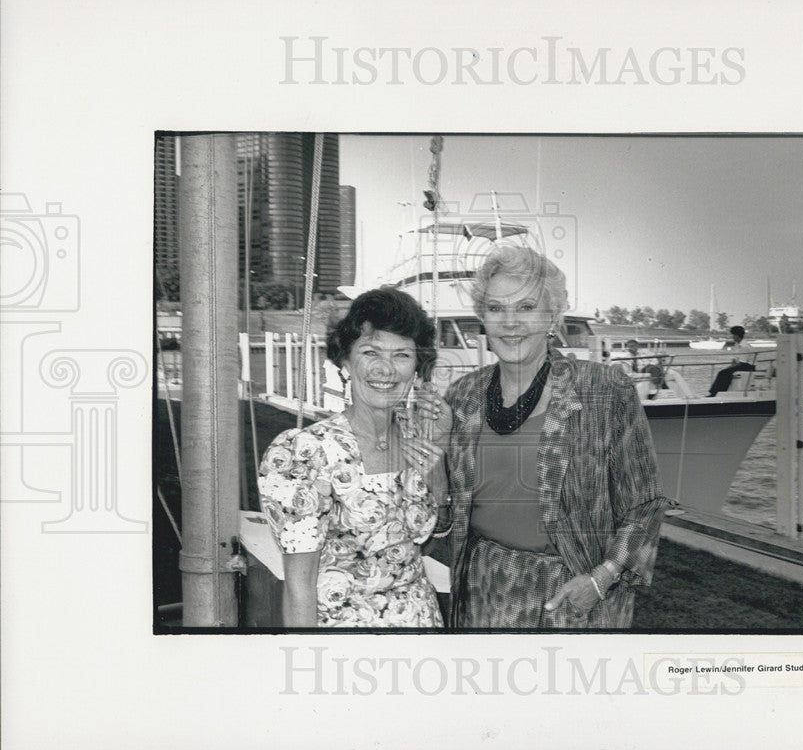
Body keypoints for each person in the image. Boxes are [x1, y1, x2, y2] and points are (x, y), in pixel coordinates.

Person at [443, 245, 671, 629]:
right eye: (496, 309)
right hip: (483, 585)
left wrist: (604, 577)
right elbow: (443, 503)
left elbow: (645, 504)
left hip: (573, 593)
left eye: (526, 307)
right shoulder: (462, 395)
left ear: (552, 316)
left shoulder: (605, 389)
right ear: (482, 319)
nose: (510, 322)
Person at [258, 288, 452, 628]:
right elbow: (299, 588)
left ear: (417, 368)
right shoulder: (304, 454)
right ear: (345, 361)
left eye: (402, 355)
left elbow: (426, 544)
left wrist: (440, 452)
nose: (386, 369)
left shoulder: (418, 434)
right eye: (370, 351)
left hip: (423, 629)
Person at [707, 325, 756, 397]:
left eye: (733, 335)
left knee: (723, 373)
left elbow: (743, 362)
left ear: (736, 335)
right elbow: (735, 360)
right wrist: (731, 366)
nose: (732, 337)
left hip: (748, 366)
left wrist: (730, 367)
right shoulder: (737, 345)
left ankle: (715, 393)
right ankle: (717, 392)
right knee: (725, 372)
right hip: (743, 364)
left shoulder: (744, 346)